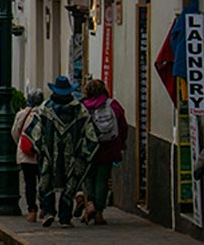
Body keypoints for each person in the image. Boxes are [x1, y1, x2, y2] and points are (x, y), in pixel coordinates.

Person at [26, 75, 97, 227]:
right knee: (70, 186)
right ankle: (65, 217)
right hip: (72, 155)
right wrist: (84, 153)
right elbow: (90, 135)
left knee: (46, 182)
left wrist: (39, 147)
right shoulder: (79, 110)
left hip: (49, 154)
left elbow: (34, 131)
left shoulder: (45, 108)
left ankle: (49, 212)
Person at [82, 79, 127, 224]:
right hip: (108, 147)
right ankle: (99, 213)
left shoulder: (84, 107)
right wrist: (122, 143)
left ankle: (90, 204)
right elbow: (122, 126)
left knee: (89, 177)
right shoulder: (113, 105)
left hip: (89, 148)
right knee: (102, 178)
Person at [12, 89, 44, 222]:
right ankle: (45, 208)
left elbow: (15, 132)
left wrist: (22, 144)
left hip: (26, 155)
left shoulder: (21, 114)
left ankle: (32, 211)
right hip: (42, 154)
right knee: (44, 182)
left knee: (30, 184)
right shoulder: (45, 114)